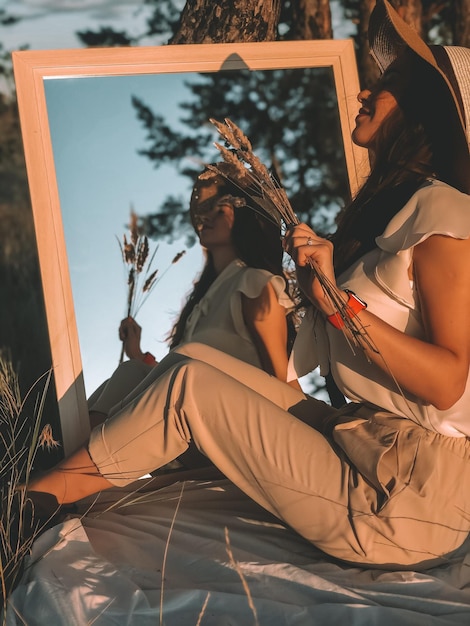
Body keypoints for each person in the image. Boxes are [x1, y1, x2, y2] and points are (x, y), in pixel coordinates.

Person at [21, 0, 470, 574]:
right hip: (372, 444)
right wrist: (316, 295)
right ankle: (48, 483)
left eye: (386, 83)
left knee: (188, 387)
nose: (363, 91)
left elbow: (450, 379)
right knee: (195, 358)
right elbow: (299, 360)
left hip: (413, 496)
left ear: (422, 111)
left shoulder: (446, 216)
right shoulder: (387, 215)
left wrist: (336, 302)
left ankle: (30, 503)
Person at [87, 167, 299, 428]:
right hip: (188, 415)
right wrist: (138, 354)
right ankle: (69, 446)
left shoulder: (254, 283)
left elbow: (281, 381)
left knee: (130, 374)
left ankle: (77, 453)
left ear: (243, 219)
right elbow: (179, 376)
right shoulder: (205, 299)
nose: (206, 218)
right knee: (124, 375)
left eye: (219, 210)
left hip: (230, 426)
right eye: (205, 211)